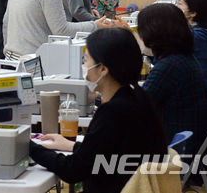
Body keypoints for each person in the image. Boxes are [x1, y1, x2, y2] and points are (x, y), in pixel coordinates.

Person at [30, 28, 168, 193]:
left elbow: (73, 170)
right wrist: (72, 146)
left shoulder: (114, 112)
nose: (84, 66)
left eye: (86, 60)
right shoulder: (137, 96)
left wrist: (28, 147)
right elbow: (102, 152)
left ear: (103, 69)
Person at [138, 3, 207, 157]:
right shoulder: (182, 58)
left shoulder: (168, 67)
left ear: (153, 33)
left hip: (172, 149)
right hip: (185, 143)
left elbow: (137, 107)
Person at [176, 0, 207, 121]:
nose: (175, 7)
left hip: (198, 105)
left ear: (193, 12)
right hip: (200, 101)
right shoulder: (196, 33)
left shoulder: (196, 36)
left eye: (179, 4)